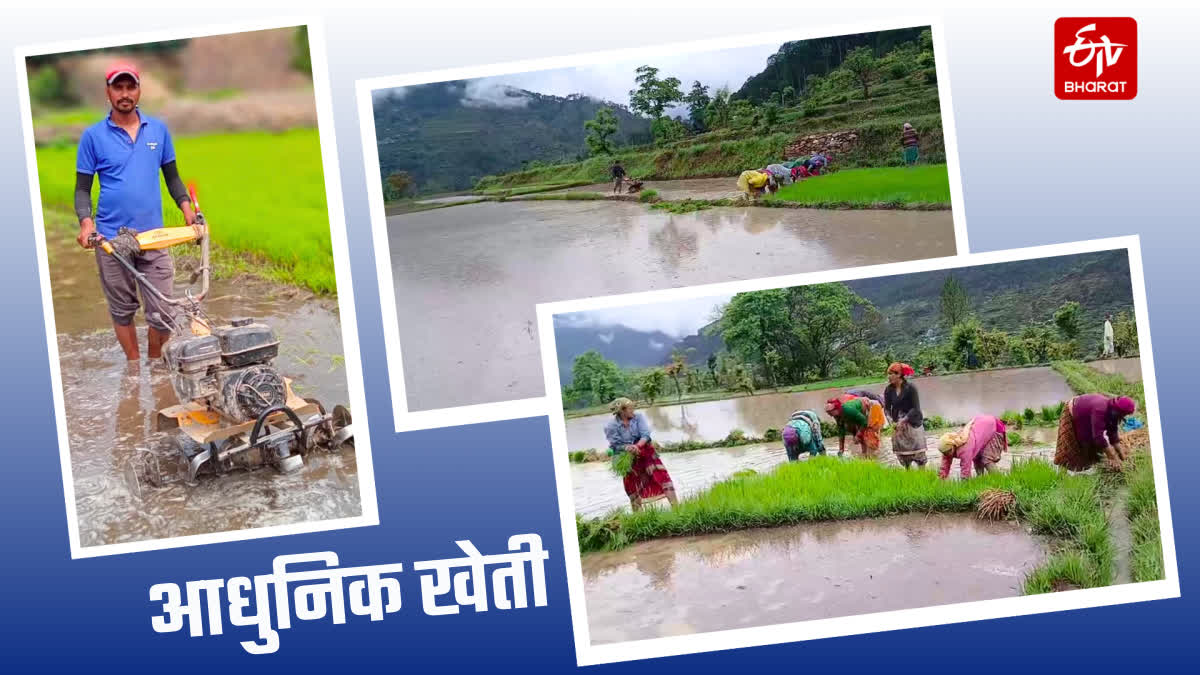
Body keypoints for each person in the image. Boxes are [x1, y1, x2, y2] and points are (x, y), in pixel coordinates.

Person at [75, 63, 203, 362]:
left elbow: (172, 177)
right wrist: (86, 223)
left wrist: (187, 210)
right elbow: (82, 189)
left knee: (163, 309)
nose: (125, 94)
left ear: (139, 90)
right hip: (111, 238)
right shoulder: (93, 136)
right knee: (122, 309)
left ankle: (155, 364)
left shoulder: (158, 130)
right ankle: (134, 371)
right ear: (108, 92)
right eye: (118, 87)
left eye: (130, 87)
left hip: (153, 236)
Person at [604, 397, 678, 511]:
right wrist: (627, 447)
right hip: (627, 457)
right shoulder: (611, 426)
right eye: (630, 408)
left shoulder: (638, 417)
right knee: (633, 485)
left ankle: (677, 508)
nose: (633, 410)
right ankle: (638, 516)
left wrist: (637, 446)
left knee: (662, 477)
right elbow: (615, 445)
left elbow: (645, 435)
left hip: (645, 452)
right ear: (622, 411)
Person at [1054, 394, 1137, 472]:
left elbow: (1113, 433)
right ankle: (1063, 471)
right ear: (1119, 411)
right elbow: (1098, 436)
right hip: (1074, 410)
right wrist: (1112, 456)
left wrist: (1122, 455)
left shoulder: (1113, 412)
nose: (1124, 416)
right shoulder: (1100, 409)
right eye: (1124, 414)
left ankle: (1089, 466)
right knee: (1076, 443)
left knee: (1093, 445)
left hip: (1086, 415)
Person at [884, 363, 927, 468]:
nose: (888, 377)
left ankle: (923, 474)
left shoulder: (911, 388)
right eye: (888, 374)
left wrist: (903, 420)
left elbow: (915, 408)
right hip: (898, 426)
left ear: (899, 375)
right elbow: (887, 409)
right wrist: (891, 421)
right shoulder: (889, 390)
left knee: (919, 455)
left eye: (891, 374)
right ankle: (908, 473)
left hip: (913, 424)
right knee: (903, 456)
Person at [938, 415, 1008, 479]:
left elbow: (965, 468)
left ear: (953, 446)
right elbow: (945, 465)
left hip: (994, 427)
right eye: (944, 453)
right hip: (981, 428)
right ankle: (981, 480)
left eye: (948, 452)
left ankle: (999, 480)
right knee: (976, 458)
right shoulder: (947, 447)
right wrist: (941, 478)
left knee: (987, 459)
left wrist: (965, 482)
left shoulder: (965, 447)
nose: (947, 454)